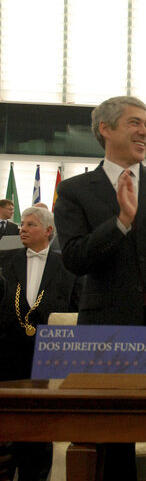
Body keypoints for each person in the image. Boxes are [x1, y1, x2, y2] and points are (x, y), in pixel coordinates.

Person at [54, 95, 146, 481]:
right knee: (110, 443)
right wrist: (121, 221)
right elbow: (73, 258)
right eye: (135, 123)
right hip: (107, 331)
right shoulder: (74, 191)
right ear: (105, 129)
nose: (145, 132)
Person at [0, 206, 79, 481]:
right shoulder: (4, 260)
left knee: (41, 423)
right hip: (8, 354)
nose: (22, 228)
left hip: (49, 356)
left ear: (48, 231)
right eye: (22, 224)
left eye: (31, 224)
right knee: (9, 423)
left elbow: (76, 309)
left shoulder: (67, 266)